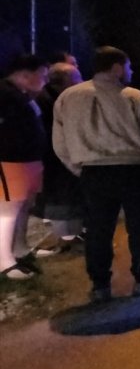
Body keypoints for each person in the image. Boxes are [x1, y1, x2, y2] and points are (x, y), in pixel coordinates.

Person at [53, 46, 140, 302]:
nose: (130, 71)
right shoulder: (135, 97)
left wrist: (79, 168)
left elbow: (59, 143)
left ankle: (100, 286)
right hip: (136, 171)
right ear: (117, 67)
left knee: (98, 230)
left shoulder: (67, 98)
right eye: (128, 66)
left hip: (94, 173)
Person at [0, 55, 49, 280]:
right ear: (25, 74)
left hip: (27, 160)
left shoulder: (22, 95)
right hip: (11, 160)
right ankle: (4, 262)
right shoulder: (5, 94)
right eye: (42, 75)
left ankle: (21, 249)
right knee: (7, 212)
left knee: (23, 208)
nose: (45, 80)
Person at [33, 63, 85, 247]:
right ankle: (63, 238)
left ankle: (69, 235)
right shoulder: (47, 100)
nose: (81, 83)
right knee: (59, 198)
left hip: (58, 158)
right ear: (65, 81)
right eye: (77, 79)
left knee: (66, 196)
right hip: (53, 160)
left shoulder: (55, 98)